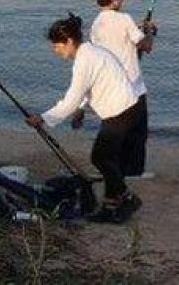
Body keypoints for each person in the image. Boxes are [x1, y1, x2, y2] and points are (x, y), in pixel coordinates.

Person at [25, 13, 145, 224]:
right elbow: (87, 91)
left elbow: (72, 98)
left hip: (121, 112)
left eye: (57, 45)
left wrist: (42, 119)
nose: (55, 50)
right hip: (128, 109)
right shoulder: (91, 52)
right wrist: (81, 109)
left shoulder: (84, 60)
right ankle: (112, 204)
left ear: (69, 41)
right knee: (106, 159)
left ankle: (127, 198)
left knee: (100, 158)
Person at [88, 0, 156, 178]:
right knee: (137, 132)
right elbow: (146, 47)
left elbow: (116, 45)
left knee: (115, 132)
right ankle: (134, 173)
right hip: (133, 87)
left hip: (109, 88)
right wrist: (149, 31)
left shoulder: (96, 26)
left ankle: (114, 169)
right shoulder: (124, 19)